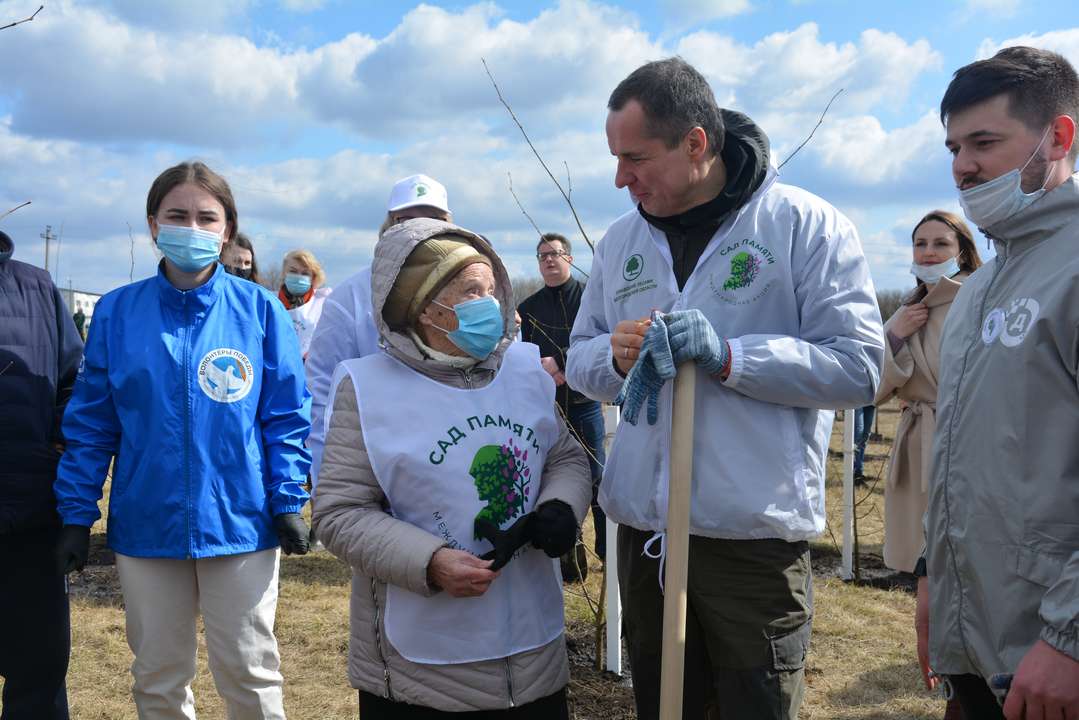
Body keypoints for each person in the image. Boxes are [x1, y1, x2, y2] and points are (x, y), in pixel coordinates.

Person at [566, 58, 883, 720]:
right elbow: (581, 359)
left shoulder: (801, 226)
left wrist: (731, 357)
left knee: (754, 704)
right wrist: (617, 356)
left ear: (695, 144)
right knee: (664, 704)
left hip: (749, 541)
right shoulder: (622, 240)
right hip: (646, 533)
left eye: (634, 157)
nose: (619, 177)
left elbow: (856, 367)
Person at [53, 161, 312, 719]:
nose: (191, 227)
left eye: (205, 217)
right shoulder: (119, 312)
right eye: (177, 215)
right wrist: (76, 514)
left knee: (249, 671)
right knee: (159, 677)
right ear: (153, 224)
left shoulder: (261, 310)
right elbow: (93, 422)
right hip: (147, 524)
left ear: (226, 230)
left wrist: (289, 497)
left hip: (241, 522)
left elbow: (286, 414)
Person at [312, 218, 591, 717]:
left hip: (532, 656)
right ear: (422, 307)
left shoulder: (524, 370)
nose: (489, 304)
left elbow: (565, 457)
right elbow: (340, 512)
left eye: (490, 289)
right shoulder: (369, 386)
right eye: (469, 292)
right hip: (422, 671)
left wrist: (559, 507)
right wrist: (430, 561)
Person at [915, 46, 1079, 720]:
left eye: (983, 141)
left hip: (1050, 657)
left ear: (1059, 136)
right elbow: (962, 454)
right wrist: (930, 577)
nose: (961, 164)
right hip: (976, 652)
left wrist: (1068, 637)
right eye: (953, 145)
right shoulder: (978, 289)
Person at [305, 174, 452, 487]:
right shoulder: (351, 297)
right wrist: (327, 483)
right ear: (388, 225)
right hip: (379, 472)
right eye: (406, 219)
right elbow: (323, 395)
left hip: (455, 460)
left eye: (432, 219)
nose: (420, 228)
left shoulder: (470, 291)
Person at [0, 229, 82, 719]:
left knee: (40, 673)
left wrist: (54, 442)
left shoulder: (36, 287)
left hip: (31, 510)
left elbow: (74, 382)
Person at [875, 210, 982, 576]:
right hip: (917, 444)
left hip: (968, 446)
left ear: (962, 251)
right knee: (923, 575)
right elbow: (867, 385)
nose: (929, 252)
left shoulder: (980, 298)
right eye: (920, 244)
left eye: (941, 243)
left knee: (964, 567)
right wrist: (895, 336)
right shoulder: (908, 307)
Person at [518, 232, 607, 577]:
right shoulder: (528, 309)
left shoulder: (588, 299)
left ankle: (607, 552)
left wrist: (563, 363)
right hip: (548, 408)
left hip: (584, 403)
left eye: (555, 254)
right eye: (542, 256)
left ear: (569, 259)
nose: (549, 260)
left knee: (596, 479)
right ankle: (571, 563)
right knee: (556, 483)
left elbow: (599, 341)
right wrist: (542, 371)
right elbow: (523, 356)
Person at [277, 249, 331, 359]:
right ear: (284, 273)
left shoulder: (323, 302)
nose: (298, 276)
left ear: (313, 278)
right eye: (293, 271)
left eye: (305, 273)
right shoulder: (270, 301)